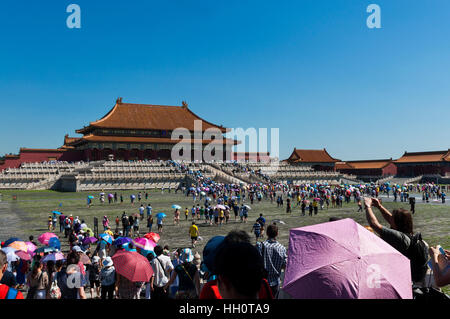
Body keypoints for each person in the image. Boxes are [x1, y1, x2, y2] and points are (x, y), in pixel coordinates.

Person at [364, 197, 429, 284]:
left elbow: (374, 225)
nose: (390, 219)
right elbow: (391, 218)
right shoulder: (411, 237)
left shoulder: (400, 238)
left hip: (406, 282)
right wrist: (379, 206)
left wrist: (367, 206)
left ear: (397, 223)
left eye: (393, 219)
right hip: (416, 279)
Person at [256, 224, 287, 298]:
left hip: (263, 282)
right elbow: (285, 265)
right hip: (275, 282)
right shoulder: (282, 248)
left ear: (266, 233)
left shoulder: (260, 246)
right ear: (277, 234)